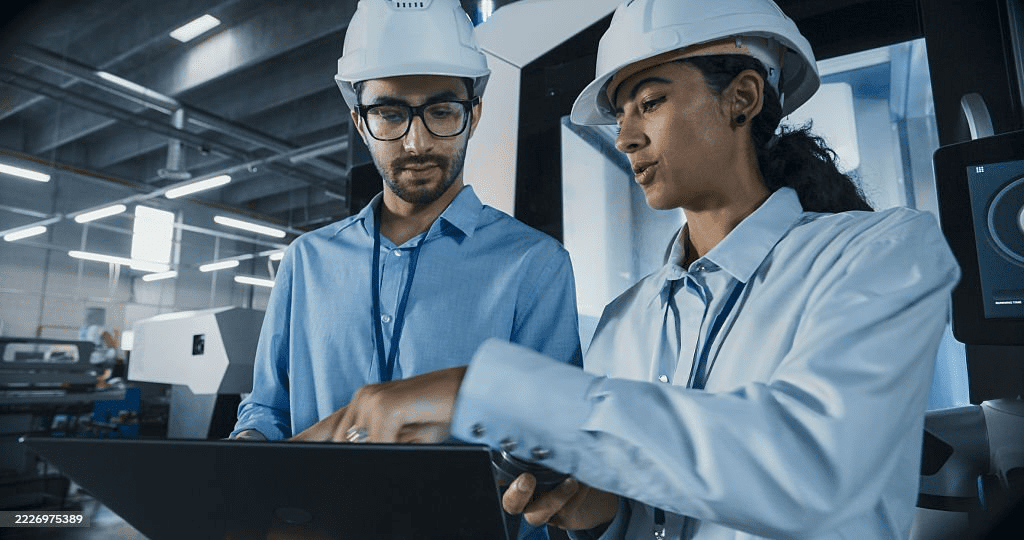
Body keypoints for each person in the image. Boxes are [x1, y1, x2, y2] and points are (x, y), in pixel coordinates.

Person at [296, 0, 961, 539]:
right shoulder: (627, 319)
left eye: (650, 102)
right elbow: (656, 517)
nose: (625, 136)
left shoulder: (880, 252)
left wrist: (485, 392)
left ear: (744, 96)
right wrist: (600, 514)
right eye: (621, 113)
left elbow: (817, 468)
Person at [233, 0, 581, 489]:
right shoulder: (307, 261)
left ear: (474, 114)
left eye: (441, 111)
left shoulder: (535, 265)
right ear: (360, 122)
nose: (416, 143)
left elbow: (556, 433)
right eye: (390, 114)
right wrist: (239, 462)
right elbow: (269, 406)